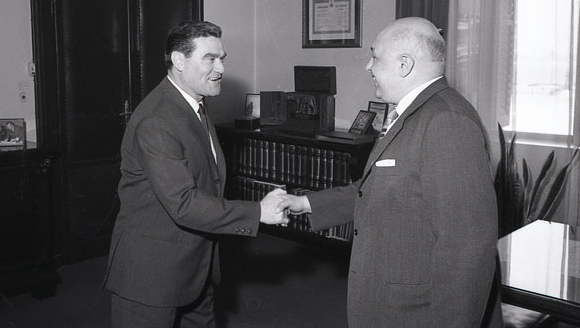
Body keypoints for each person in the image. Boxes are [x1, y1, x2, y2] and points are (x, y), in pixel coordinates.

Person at [278, 17, 501, 327]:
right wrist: (304, 203)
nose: (368, 66)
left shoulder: (446, 121)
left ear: (404, 64)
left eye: (375, 56)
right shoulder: (416, 113)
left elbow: (467, 247)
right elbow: (378, 189)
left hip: (416, 313)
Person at [102, 20, 288, 328]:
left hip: (196, 269)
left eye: (222, 59)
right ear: (179, 60)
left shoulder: (194, 106)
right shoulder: (157, 119)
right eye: (210, 59)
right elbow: (184, 203)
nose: (221, 68)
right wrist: (258, 212)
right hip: (152, 276)